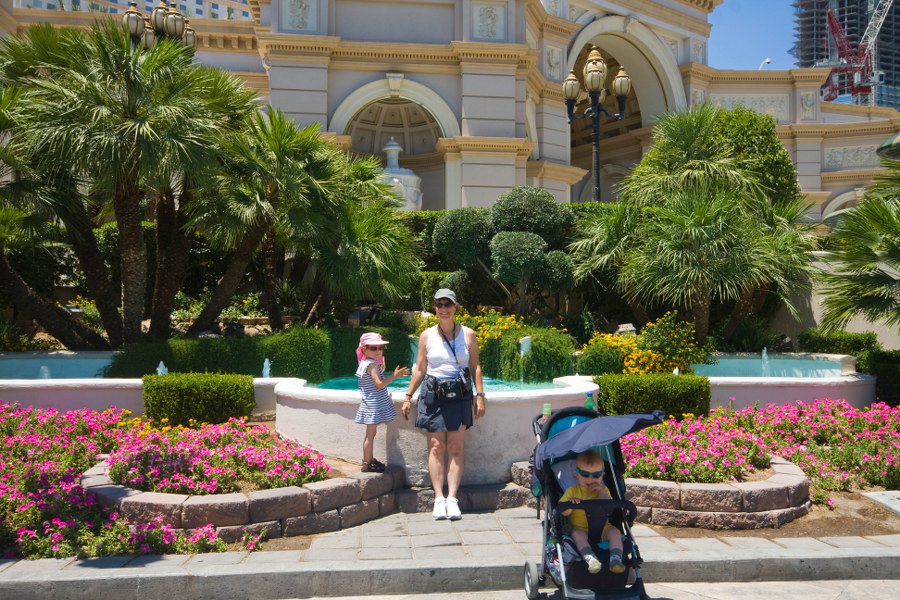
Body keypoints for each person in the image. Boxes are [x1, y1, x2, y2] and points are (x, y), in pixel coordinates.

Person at [401, 289, 485, 520]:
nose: (443, 308)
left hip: (459, 394)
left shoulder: (468, 334)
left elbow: (475, 367)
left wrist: (480, 395)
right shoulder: (426, 335)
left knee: (456, 447)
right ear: (435, 308)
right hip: (433, 394)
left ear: (456, 306)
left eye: (447, 303)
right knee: (436, 446)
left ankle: (453, 499)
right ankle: (439, 498)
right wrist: (408, 396)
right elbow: (420, 368)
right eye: (439, 304)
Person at [559, 449, 626, 574]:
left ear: (602, 475)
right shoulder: (572, 491)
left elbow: (609, 507)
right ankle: (591, 559)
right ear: (576, 475)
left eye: (596, 475)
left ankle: (615, 559)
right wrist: (571, 504)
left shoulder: (603, 489)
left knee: (615, 532)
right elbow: (564, 512)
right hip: (581, 529)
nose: (590, 479)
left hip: (603, 528)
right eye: (585, 475)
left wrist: (601, 492)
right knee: (576, 535)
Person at [355, 332, 409, 473]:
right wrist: (394, 376)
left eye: (380, 348)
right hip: (373, 404)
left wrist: (381, 369)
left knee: (370, 434)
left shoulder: (364, 363)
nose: (378, 351)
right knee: (370, 435)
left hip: (369, 403)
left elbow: (372, 379)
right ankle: (367, 463)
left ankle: (369, 461)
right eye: (373, 348)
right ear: (364, 349)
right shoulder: (372, 365)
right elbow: (379, 384)